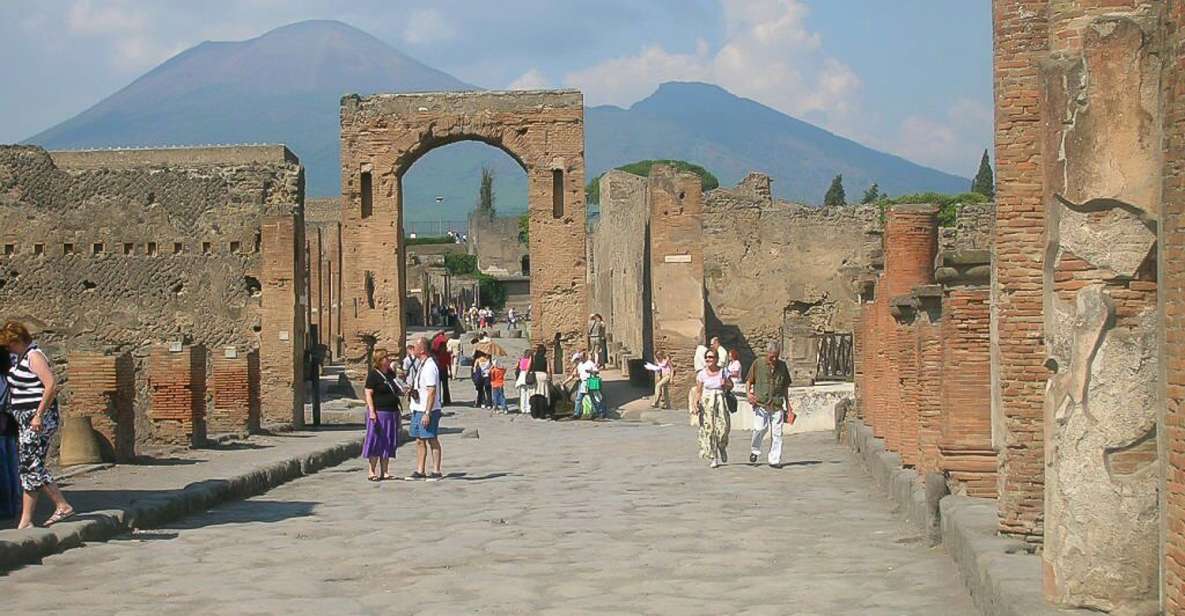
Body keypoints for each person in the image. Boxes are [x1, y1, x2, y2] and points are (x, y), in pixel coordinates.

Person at [1, 321, 74, 527]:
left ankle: (62, 505)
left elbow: (51, 385)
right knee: (27, 468)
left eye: (9, 344)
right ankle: (26, 520)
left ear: (18, 340)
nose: (7, 349)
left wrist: (39, 415)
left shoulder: (34, 356)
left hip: (38, 419)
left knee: (32, 465)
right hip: (25, 419)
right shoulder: (19, 358)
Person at [746, 341, 795, 467]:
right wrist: (748, 394)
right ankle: (755, 450)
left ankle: (774, 459)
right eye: (771, 356)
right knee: (760, 428)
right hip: (761, 403)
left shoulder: (782, 367)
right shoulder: (758, 364)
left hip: (777, 403)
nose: (774, 359)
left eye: (776, 356)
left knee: (777, 433)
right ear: (767, 353)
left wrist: (789, 408)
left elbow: (785, 388)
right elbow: (749, 380)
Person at [406, 336, 444, 481]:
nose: (412, 349)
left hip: (428, 410)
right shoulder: (421, 364)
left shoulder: (430, 366)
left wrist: (427, 413)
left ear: (422, 349)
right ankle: (420, 470)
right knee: (419, 440)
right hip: (417, 408)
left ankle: (436, 470)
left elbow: (432, 391)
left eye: (415, 346)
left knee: (431, 438)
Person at [362, 349, 401, 481]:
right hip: (378, 412)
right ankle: (372, 471)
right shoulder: (373, 375)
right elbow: (368, 393)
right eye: (385, 357)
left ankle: (385, 471)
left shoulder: (390, 373)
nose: (388, 359)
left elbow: (397, 387)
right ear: (379, 360)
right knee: (375, 440)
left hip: (391, 412)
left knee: (388, 441)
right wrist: (372, 411)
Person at [692, 347, 732, 468]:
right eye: (707, 357)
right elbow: (698, 391)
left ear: (716, 359)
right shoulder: (702, 374)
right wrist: (695, 404)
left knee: (724, 427)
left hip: (720, 400)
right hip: (707, 402)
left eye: (711, 357)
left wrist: (725, 383)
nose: (708, 359)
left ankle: (722, 446)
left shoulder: (723, 371)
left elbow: (731, 385)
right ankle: (714, 457)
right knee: (710, 430)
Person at [0, 350, 21, 521]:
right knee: (10, 464)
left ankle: (6, 508)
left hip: (4, 420)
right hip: (10, 420)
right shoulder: (11, 371)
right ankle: (13, 505)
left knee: (3, 467)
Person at [570, 351, 608, 420]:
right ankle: (576, 413)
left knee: (595, 398)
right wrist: (577, 375)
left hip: (590, 382)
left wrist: (590, 371)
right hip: (583, 383)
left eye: (581, 357)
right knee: (579, 398)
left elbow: (597, 371)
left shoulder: (590, 363)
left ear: (584, 357)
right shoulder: (580, 364)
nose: (580, 359)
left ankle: (600, 412)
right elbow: (580, 373)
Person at [431, 330, 452, 405]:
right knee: (445, 386)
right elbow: (449, 363)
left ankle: (438, 400)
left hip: (438, 369)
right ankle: (447, 400)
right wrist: (451, 372)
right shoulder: (446, 353)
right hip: (444, 369)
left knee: (438, 386)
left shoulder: (436, 353)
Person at [515, 348, 534, 415]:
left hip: (521, 375)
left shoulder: (521, 360)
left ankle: (523, 408)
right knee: (529, 393)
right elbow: (528, 368)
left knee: (522, 393)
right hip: (527, 375)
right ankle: (528, 408)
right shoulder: (530, 360)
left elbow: (518, 368)